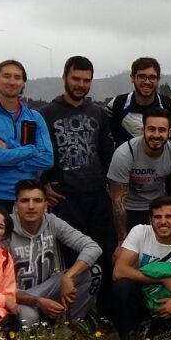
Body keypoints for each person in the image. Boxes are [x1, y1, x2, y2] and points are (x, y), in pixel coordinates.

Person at [39, 57, 116, 277]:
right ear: (64, 77)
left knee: (104, 255)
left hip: (97, 198)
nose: (81, 85)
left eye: (86, 80)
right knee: (70, 261)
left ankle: (103, 308)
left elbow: (107, 154)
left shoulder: (98, 113)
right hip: (64, 200)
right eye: (76, 79)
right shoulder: (46, 114)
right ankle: (73, 309)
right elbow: (40, 155)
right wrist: (43, 184)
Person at [110, 197, 171, 340]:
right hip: (141, 302)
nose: (163, 221)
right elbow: (119, 271)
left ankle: (155, 339)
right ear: (150, 219)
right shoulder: (140, 232)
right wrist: (162, 279)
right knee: (122, 286)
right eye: (157, 217)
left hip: (170, 306)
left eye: (169, 216)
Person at [6, 179, 101, 328]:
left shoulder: (52, 222)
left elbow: (92, 247)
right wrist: (36, 301)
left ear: (45, 206)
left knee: (94, 272)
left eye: (37, 201)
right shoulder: (5, 228)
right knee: (29, 319)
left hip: (47, 288)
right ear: (16, 206)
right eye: (25, 201)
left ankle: (73, 325)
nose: (31, 206)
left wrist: (69, 276)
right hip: (16, 294)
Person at [0, 59, 54, 213]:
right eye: (6, 76)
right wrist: (30, 149)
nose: (12, 81)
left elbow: (47, 159)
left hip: (30, 197)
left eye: (17, 77)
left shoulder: (35, 117)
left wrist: (9, 148)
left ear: (23, 83)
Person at [106, 109, 171, 237]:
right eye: (151, 129)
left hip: (160, 207)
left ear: (169, 133)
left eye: (161, 130)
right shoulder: (124, 154)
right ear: (142, 130)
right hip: (130, 209)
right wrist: (121, 240)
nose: (156, 135)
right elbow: (118, 202)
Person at [108, 57, 171, 141]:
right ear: (132, 78)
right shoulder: (117, 104)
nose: (147, 82)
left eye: (152, 77)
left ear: (158, 79)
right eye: (142, 76)